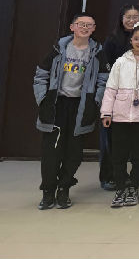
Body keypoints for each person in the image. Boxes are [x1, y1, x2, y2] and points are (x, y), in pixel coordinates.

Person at [35, 12, 109, 210]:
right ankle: (48, 191)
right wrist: (43, 99)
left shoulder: (98, 53)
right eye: (81, 24)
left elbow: (103, 80)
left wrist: (95, 102)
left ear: (93, 29)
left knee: (74, 153)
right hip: (56, 105)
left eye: (89, 25)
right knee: (51, 152)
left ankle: (64, 189)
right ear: (72, 27)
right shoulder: (58, 49)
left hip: (81, 107)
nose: (85, 28)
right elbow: (41, 75)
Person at [101, 21, 139, 208]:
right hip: (120, 116)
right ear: (131, 40)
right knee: (118, 155)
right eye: (136, 39)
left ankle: (133, 187)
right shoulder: (120, 62)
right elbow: (110, 89)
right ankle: (120, 188)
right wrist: (106, 113)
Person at [99, 3, 139, 188]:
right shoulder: (112, 40)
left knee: (133, 141)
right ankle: (109, 176)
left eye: (135, 17)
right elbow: (105, 68)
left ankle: (132, 176)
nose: (132, 20)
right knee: (111, 140)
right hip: (116, 95)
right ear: (121, 19)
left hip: (138, 98)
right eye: (128, 17)